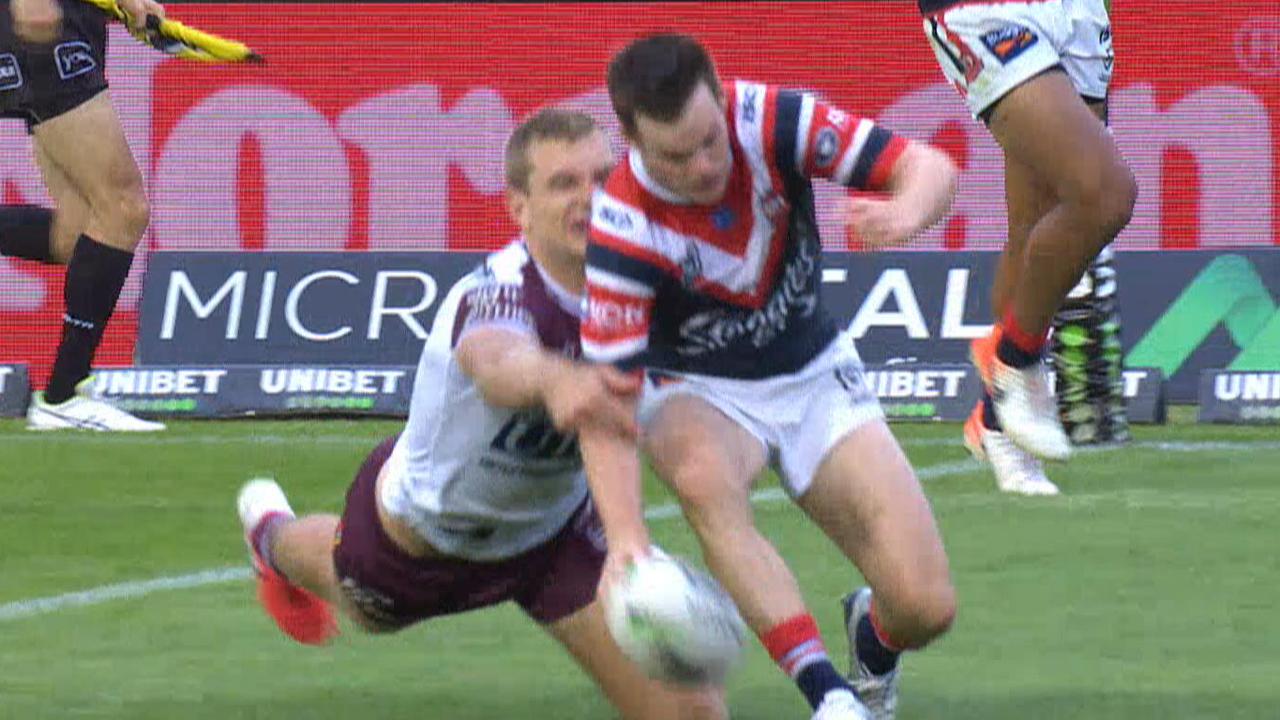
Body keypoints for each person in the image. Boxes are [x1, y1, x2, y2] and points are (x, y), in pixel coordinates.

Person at [234, 109, 726, 720]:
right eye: (564, 183)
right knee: (359, 605)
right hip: (421, 541)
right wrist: (555, 378)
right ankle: (268, 535)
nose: (591, 198)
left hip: (556, 539)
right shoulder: (496, 290)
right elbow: (493, 357)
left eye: (604, 177)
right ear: (518, 208)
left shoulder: (656, 284)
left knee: (691, 712)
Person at [578, 34, 958, 720]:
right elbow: (607, 403)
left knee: (926, 607)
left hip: (813, 371)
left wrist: (905, 211)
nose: (701, 166)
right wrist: (627, 539)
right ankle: (829, 694)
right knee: (699, 477)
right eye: (675, 155)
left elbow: (929, 167)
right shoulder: (622, 226)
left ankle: (871, 643)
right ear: (631, 139)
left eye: (708, 142)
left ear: (722, 98)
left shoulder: (775, 120)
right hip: (700, 391)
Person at [919, 0, 1136, 475]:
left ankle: (997, 426)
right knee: (1106, 193)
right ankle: (1014, 357)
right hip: (986, 11)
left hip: (1078, 10)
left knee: (1038, 222)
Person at [1, 0, 166, 431]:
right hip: (44, 29)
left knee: (78, 233)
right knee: (123, 208)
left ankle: (64, 395)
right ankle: (64, 393)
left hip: (73, 23)